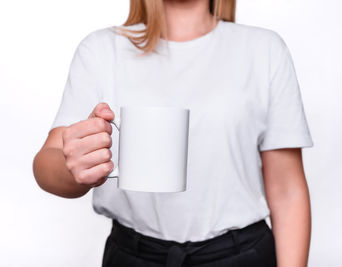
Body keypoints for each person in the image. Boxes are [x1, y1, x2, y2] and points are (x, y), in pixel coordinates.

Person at [32, 0, 314, 266]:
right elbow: (48, 161)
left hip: (242, 256)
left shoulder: (264, 50)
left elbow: (287, 191)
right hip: (133, 256)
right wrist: (77, 168)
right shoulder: (100, 50)